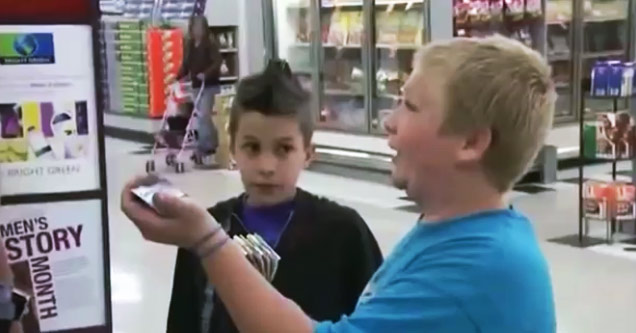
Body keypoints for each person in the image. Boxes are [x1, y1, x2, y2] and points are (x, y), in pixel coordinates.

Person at [122, 35, 557, 332]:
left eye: (408, 105)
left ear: (471, 142)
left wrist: (207, 241)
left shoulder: (480, 268)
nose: (389, 123)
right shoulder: (452, 236)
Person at [166, 60, 383, 333]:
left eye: (283, 149)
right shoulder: (204, 229)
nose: (266, 166)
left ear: (308, 153)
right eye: (252, 147)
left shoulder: (345, 233)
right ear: (232, 147)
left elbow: (375, 323)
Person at [176, 15, 222, 168]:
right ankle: (212, 143)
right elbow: (186, 63)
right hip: (196, 85)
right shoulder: (189, 44)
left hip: (209, 85)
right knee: (201, 117)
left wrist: (206, 74)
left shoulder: (211, 44)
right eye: (194, 27)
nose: (197, 30)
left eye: (199, 27)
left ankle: (206, 147)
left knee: (204, 115)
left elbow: (217, 62)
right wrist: (178, 76)